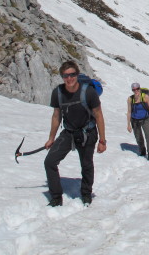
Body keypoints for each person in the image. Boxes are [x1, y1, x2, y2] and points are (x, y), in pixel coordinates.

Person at [44, 61, 106, 207]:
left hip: (87, 132)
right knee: (50, 162)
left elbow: (98, 115)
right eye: (65, 75)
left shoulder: (88, 92)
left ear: (77, 75)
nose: (69, 78)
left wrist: (102, 140)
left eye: (72, 74)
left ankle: (86, 194)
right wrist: (51, 138)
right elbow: (56, 116)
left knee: (86, 164)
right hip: (69, 132)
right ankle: (56, 197)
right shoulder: (58, 93)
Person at [127, 82, 149, 161]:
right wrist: (128, 124)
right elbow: (129, 112)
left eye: (137, 89)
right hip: (134, 120)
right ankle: (142, 150)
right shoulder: (130, 99)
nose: (136, 91)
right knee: (138, 137)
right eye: (134, 89)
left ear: (140, 89)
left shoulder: (145, 97)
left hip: (144, 120)